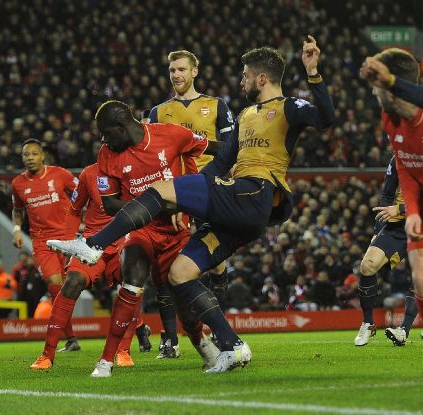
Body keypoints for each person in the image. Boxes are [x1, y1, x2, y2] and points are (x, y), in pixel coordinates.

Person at [49, 36, 334, 374]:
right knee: (180, 273)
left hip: (255, 192)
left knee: (158, 190)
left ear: (261, 78)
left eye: (245, 75)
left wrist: (313, 73)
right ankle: (232, 347)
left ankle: (93, 245)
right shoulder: (245, 115)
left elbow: (326, 118)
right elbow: (220, 163)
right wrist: (185, 198)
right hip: (238, 208)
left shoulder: (288, 107)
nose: (241, 81)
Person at [360, 48, 423, 383]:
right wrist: (411, 209)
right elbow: (406, 163)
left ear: (392, 85)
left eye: (377, 86)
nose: (374, 93)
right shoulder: (391, 120)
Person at [147, 50, 235, 357]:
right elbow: (151, 156)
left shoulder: (217, 105)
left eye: (182, 69)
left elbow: (232, 147)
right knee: (166, 264)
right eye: (172, 70)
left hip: (210, 190)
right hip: (175, 194)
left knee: (217, 262)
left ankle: (220, 330)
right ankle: (170, 338)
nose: (176, 74)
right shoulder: (158, 112)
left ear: (195, 71)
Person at [29, 163, 159, 372]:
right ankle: (48, 354)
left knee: (131, 284)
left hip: (125, 239)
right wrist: (69, 243)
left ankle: (123, 350)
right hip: (93, 241)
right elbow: (74, 210)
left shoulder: (135, 170)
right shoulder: (89, 174)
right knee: (72, 283)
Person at [11, 138, 81, 351]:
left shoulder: (60, 174)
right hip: (42, 241)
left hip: (67, 237)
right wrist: (16, 229)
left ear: (42, 156)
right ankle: (71, 338)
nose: (30, 158)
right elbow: (17, 210)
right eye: (26, 154)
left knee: (70, 286)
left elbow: (82, 192)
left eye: (34, 154)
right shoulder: (18, 184)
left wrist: (82, 218)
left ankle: (71, 338)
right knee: (55, 286)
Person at [353, 156, 418, 347]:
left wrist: (400, 208)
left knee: (420, 277)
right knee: (367, 266)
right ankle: (368, 323)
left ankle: (404, 330)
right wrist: (377, 231)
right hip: (397, 227)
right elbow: (387, 196)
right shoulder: (397, 159)